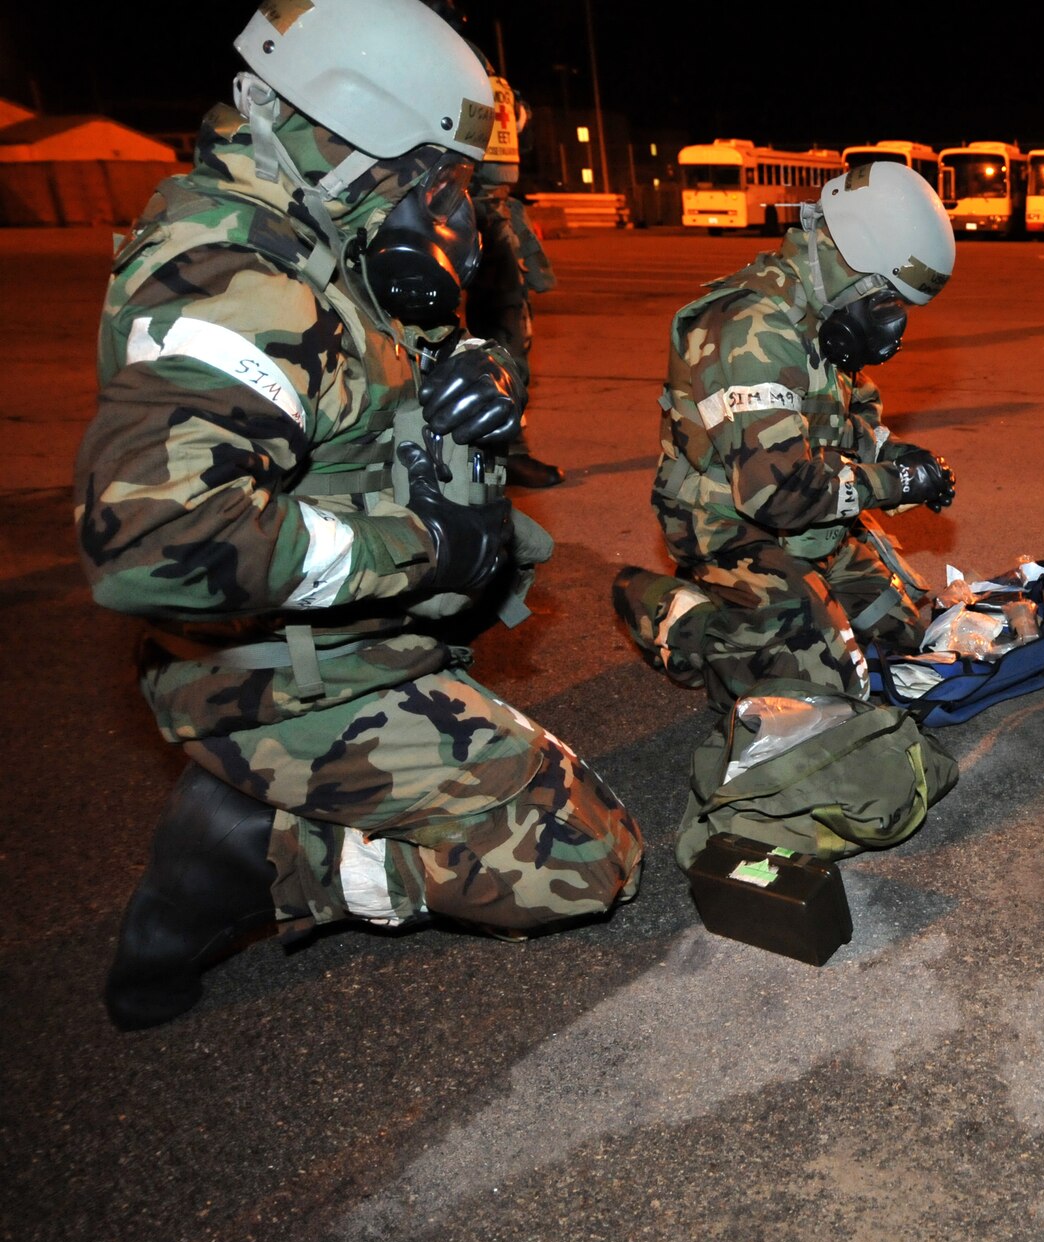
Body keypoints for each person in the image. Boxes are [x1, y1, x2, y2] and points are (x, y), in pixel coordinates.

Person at [76, 0, 643, 1032]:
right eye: (428, 174)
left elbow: (348, 406)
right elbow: (154, 548)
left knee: (562, 796)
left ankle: (290, 796)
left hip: (347, 646)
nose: (445, 205)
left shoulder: (318, 233)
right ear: (339, 134)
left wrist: (463, 375)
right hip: (270, 679)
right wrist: (418, 548)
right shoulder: (234, 281)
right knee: (581, 858)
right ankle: (257, 853)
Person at [613, 161, 958, 708]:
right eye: (888, 300)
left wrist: (897, 454)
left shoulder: (823, 313)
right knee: (820, 692)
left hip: (813, 518)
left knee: (909, 637)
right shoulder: (753, 329)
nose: (893, 323)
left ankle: (795, 596)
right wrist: (894, 484)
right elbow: (776, 493)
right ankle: (677, 615)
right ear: (854, 266)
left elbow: (846, 418)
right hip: (733, 524)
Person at [465, 69, 565, 488]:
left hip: (494, 202)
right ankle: (492, 455)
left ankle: (506, 452)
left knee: (511, 345)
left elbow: (519, 121)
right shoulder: (439, 52)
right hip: (462, 196)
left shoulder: (485, 68)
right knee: (481, 348)